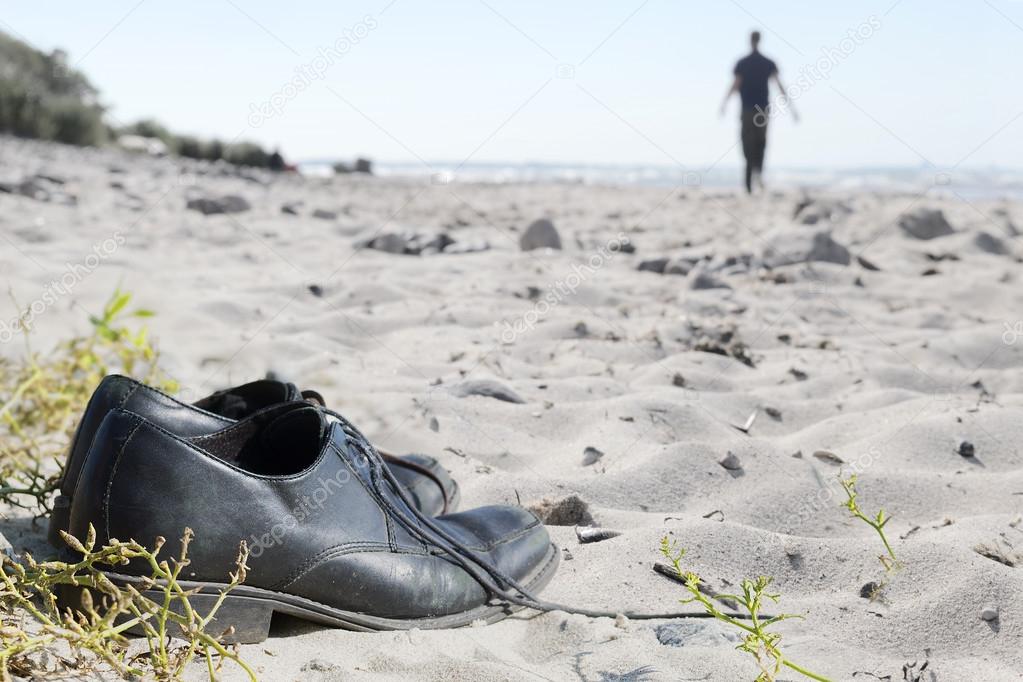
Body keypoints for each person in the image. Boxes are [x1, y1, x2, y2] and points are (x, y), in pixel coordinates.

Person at [720, 31, 797, 193]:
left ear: (750, 41)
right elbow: (779, 85)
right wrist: (791, 107)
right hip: (762, 110)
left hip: (748, 110)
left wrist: (725, 103)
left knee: (748, 145)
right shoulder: (767, 62)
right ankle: (758, 174)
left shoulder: (743, 63)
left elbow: (735, 84)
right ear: (760, 41)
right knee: (760, 144)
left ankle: (749, 183)